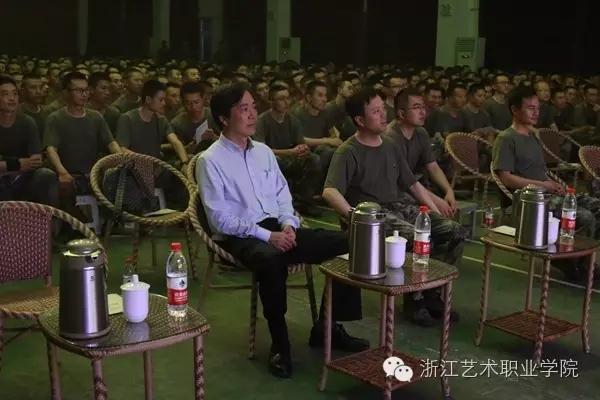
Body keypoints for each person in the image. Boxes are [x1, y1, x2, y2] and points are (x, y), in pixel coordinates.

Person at [196, 83, 367, 379]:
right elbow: (219, 220)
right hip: (242, 235)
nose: (253, 114)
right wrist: (269, 237)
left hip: (279, 227)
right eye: (244, 109)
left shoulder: (263, 152)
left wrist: (288, 225)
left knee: (349, 242)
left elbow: (282, 195)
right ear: (223, 118)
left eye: (253, 107)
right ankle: (280, 345)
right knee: (271, 260)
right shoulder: (210, 160)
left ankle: (328, 326)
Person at [324, 87, 463, 326]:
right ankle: (415, 299)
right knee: (417, 239)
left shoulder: (390, 145)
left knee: (454, 231)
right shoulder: (348, 151)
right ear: (360, 120)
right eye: (376, 112)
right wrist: (354, 216)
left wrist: (434, 210)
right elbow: (329, 191)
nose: (383, 115)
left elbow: (413, 185)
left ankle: (433, 294)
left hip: (399, 206)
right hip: (374, 214)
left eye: (383, 109)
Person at [492, 85, 600, 281]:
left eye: (538, 108)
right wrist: (544, 186)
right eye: (530, 108)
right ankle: (572, 263)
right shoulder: (506, 138)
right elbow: (506, 178)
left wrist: (554, 185)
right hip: (527, 200)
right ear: (515, 109)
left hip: (547, 193)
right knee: (584, 216)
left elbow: (539, 171)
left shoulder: (533, 136)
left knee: (596, 206)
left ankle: (583, 259)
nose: (536, 112)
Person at [45, 72, 121, 218]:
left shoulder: (96, 117)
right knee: (63, 187)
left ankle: (114, 222)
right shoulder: (55, 118)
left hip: (93, 174)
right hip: (70, 175)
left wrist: (121, 158)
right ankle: (72, 225)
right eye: (79, 90)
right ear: (67, 93)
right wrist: (62, 172)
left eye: (86, 90)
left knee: (120, 177)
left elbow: (111, 143)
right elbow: (51, 148)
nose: (84, 94)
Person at [255, 83, 322, 216]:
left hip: (292, 157)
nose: (286, 102)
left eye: (288, 98)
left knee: (314, 159)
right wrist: (290, 152)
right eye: (281, 99)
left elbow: (301, 143)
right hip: (272, 159)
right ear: (271, 101)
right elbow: (260, 150)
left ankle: (305, 202)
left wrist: (303, 149)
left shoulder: (293, 120)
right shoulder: (262, 121)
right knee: (276, 162)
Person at [0, 74, 58, 205]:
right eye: (5, 94)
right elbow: (24, 162)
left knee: (46, 175)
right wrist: (18, 163)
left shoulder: (27, 122)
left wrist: (5, 164)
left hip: (22, 177)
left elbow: (36, 160)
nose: (12, 98)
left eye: (14, 94)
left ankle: (47, 218)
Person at [116, 80, 189, 167]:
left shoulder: (161, 119)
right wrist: (144, 161)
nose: (164, 103)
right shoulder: (127, 118)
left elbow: (175, 142)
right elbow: (122, 149)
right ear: (148, 99)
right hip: (133, 167)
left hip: (156, 167)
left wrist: (185, 163)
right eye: (160, 100)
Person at [292, 80, 341, 186]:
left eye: (325, 96)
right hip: (301, 151)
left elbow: (333, 134)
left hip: (320, 148)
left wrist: (333, 140)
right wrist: (326, 141)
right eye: (320, 95)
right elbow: (300, 139)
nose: (324, 99)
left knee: (335, 153)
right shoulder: (297, 114)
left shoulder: (325, 112)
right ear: (309, 97)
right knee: (318, 157)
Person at [170, 81, 219, 153]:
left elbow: (230, 142)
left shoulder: (214, 115)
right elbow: (177, 151)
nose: (193, 107)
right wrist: (191, 146)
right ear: (183, 103)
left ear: (203, 99)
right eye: (188, 103)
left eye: (196, 102)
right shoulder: (177, 124)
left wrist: (214, 137)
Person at [18, 73, 48, 138]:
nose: (38, 91)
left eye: (40, 87)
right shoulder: (16, 113)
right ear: (23, 91)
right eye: (33, 88)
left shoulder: (48, 111)